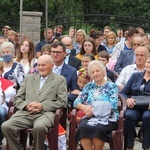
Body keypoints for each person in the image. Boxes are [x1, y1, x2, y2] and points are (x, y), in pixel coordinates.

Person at [1, 55, 68, 150]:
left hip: (45, 114)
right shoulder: (29, 78)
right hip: (25, 113)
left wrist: (42, 106)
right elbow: (18, 98)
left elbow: (62, 101)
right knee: (6, 126)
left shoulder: (59, 80)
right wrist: (26, 106)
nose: (40, 67)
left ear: (51, 66)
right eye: (39, 65)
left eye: (43, 65)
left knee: (39, 127)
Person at [73, 60, 118, 150]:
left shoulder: (111, 86)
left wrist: (94, 110)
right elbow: (76, 102)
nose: (96, 74)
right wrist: (84, 107)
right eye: (93, 72)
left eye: (98, 71)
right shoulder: (89, 86)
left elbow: (112, 105)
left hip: (107, 117)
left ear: (104, 70)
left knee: (98, 128)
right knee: (83, 127)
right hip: (89, 116)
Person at [120, 54, 150, 150]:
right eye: (149, 62)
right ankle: (130, 146)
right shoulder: (135, 76)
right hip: (134, 106)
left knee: (147, 117)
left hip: (148, 108)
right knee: (129, 115)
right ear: (146, 63)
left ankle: (146, 147)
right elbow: (123, 93)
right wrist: (128, 99)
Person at [0, 61, 16, 149]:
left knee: (1, 112)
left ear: (2, 71)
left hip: (1, 105)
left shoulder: (9, 84)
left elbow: (10, 97)